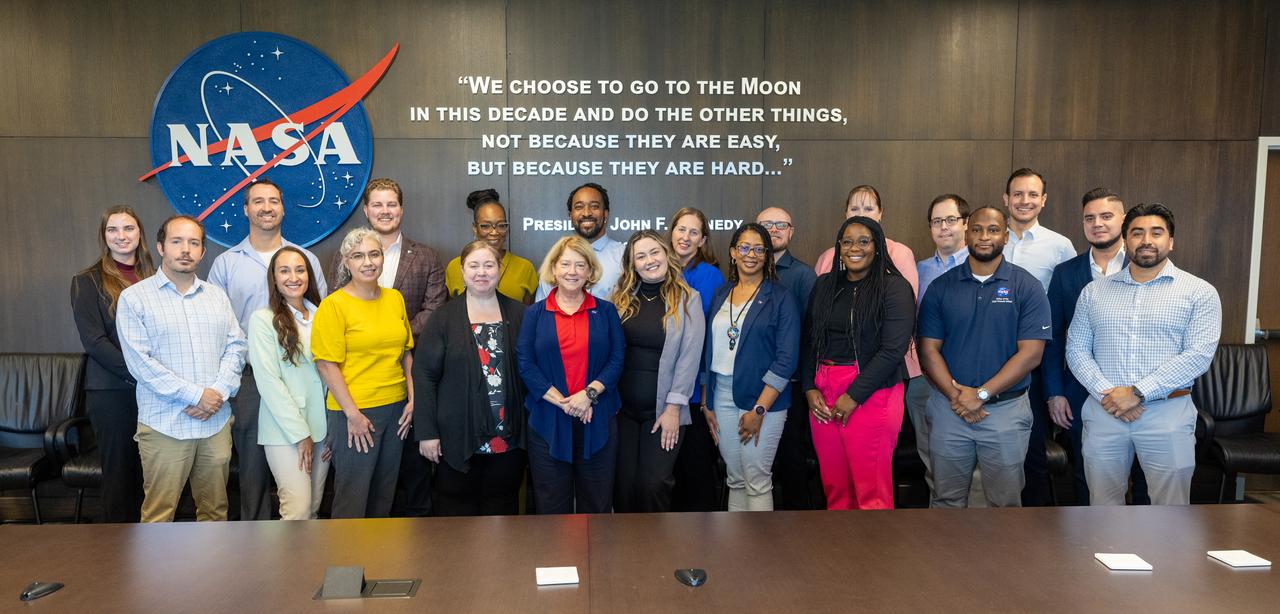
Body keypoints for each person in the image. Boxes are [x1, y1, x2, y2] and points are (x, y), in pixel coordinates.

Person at [1066, 203, 1221, 506]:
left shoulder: (1199, 292)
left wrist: (1137, 392)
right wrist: (1109, 395)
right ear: (1125, 240)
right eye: (1137, 233)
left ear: (1171, 241)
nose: (1146, 240)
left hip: (1168, 413)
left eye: (1156, 232)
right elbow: (1076, 350)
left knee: (1171, 510)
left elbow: (1198, 355)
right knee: (1102, 507)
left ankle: (1168, 557)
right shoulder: (1094, 293)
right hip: (1105, 412)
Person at [209, 177, 327, 521]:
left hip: (304, 382)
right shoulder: (226, 262)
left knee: (304, 487)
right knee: (253, 473)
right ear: (246, 209)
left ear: (282, 208)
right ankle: (257, 552)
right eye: (258, 201)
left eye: (273, 201)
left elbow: (321, 314)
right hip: (249, 380)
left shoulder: (304, 258)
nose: (266, 207)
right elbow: (218, 328)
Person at [917, 206, 1051, 508]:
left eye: (992, 229)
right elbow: (928, 349)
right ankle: (946, 558)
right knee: (945, 500)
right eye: (976, 229)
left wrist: (981, 394)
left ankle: (1001, 558)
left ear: (1005, 235)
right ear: (967, 233)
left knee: (1004, 504)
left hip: (1004, 412)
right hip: (949, 410)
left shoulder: (1027, 286)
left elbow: (1031, 354)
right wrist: (958, 397)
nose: (984, 236)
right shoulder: (942, 287)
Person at [117, 215, 246, 522]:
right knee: (160, 515)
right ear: (161, 247)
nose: (185, 249)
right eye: (177, 241)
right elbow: (141, 364)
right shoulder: (135, 298)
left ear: (202, 251)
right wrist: (196, 396)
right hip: (165, 425)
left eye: (194, 243)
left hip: (214, 424)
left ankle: (212, 572)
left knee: (215, 512)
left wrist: (217, 393)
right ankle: (158, 573)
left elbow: (236, 346)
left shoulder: (216, 296)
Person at [328, 177, 445, 518]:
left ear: (402, 209)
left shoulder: (424, 257)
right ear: (365, 210)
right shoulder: (343, 273)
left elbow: (434, 310)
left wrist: (392, 328)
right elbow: (329, 353)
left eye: (391, 204)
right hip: (358, 398)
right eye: (377, 204)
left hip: (405, 387)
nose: (384, 210)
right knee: (356, 493)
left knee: (398, 482)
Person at [801, 217, 914, 510]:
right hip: (823, 391)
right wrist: (808, 386)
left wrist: (853, 396)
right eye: (847, 241)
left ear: (877, 247)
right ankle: (840, 554)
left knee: (871, 492)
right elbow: (809, 340)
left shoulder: (894, 288)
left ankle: (873, 556)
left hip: (871, 391)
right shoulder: (825, 285)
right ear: (839, 248)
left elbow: (893, 351)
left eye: (863, 241)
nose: (855, 248)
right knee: (835, 486)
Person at [1044, 188, 1148, 505]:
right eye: (1090, 218)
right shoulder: (1066, 273)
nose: (1097, 224)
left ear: (1124, 219)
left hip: (1141, 393)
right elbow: (1054, 336)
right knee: (1086, 474)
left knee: (1144, 477)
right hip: (1080, 392)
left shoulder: (1145, 265)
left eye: (1106, 216)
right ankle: (1089, 546)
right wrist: (1055, 392)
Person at [414, 241, 528, 516]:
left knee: (503, 509)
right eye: (473, 266)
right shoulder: (443, 318)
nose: (481, 272)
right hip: (457, 437)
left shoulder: (520, 314)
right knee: (457, 514)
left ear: (499, 270)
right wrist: (427, 433)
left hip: (508, 437)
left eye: (489, 265)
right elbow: (424, 375)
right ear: (462, 271)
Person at [312, 227, 415, 518]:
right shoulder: (334, 305)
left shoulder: (395, 298)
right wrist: (353, 415)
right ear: (346, 262)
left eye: (374, 254)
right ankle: (346, 562)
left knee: (384, 494)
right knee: (353, 499)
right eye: (358, 256)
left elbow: (406, 352)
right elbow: (326, 364)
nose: (367, 262)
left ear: (383, 258)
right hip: (355, 413)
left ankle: (377, 560)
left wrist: (412, 398)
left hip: (395, 410)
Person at [518, 236, 625, 514]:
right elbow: (526, 364)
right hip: (548, 420)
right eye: (565, 264)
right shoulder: (535, 314)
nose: (572, 271)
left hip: (598, 419)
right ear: (553, 269)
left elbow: (617, 359)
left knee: (597, 503)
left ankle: (600, 559)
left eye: (580, 265)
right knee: (552, 504)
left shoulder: (606, 311)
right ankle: (558, 558)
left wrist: (588, 396)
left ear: (590, 271)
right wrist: (567, 403)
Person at [704, 223, 800, 511]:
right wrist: (706, 402)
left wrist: (759, 410)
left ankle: (761, 554)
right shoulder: (722, 294)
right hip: (721, 395)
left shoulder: (781, 298)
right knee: (735, 479)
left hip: (762, 400)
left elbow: (786, 360)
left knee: (756, 479)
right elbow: (709, 350)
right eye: (744, 247)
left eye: (760, 249)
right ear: (733, 252)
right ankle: (736, 554)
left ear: (768, 256)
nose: (751, 255)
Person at [70, 205, 156, 522]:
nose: (121, 236)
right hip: (112, 392)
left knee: (152, 473)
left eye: (128, 228)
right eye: (113, 230)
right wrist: (142, 374)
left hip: (153, 391)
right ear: (104, 236)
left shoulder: (154, 278)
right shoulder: (87, 281)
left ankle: (153, 550)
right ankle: (120, 558)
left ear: (140, 234)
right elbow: (94, 342)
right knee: (121, 476)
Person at [610, 230, 705, 512]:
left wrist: (674, 408)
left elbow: (690, 358)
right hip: (621, 411)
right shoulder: (618, 298)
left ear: (666, 254)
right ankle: (625, 553)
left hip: (663, 411)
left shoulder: (689, 298)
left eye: (654, 252)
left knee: (653, 484)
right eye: (640, 256)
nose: (649, 260)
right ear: (632, 265)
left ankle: (655, 553)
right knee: (623, 485)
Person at [1000, 168, 1076, 507]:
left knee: (1033, 450)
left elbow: (1070, 310)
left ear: (1043, 200)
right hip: (991, 356)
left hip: (1036, 360)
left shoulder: (1059, 247)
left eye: (1033, 195)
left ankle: (1034, 531)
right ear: (1006, 199)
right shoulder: (989, 237)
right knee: (995, 451)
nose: (1025, 201)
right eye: (1018, 194)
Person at [246, 247, 329, 520]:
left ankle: (308, 564)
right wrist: (299, 433)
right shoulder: (263, 319)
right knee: (297, 510)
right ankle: (282, 565)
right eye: (284, 271)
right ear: (274, 278)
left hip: (324, 428)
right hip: (286, 431)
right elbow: (269, 382)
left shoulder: (324, 315)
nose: (293, 277)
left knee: (314, 507)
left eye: (299, 269)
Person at [756, 206, 820, 510]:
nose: (774, 229)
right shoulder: (746, 272)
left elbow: (811, 335)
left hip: (791, 385)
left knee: (792, 460)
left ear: (791, 231)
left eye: (781, 224)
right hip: (751, 384)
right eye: (767, 224)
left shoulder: (804, 275)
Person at [907, 194, 970, 502]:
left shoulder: (983, 266)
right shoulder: (917, 271)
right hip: (925, 381)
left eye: (950, 220)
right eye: (936, 221)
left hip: (973, 380)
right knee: (933, 461)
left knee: (978, 470)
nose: (943, 227)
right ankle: (941, 536)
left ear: (965, 224)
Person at [666, 207, 726, 512]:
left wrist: (704, 391)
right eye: (681, 229)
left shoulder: (710, 276)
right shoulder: (656, 268)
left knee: (694, 469)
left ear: (702, 240)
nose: (685, 237)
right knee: (665, 473)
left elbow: (712, 337)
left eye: (693, 232)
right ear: (671, 232)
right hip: (662, 387)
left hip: (694, 390)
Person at [444, 188, 539, 303]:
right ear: (475, 228)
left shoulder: (524, 268)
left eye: (501, 225)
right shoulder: (455, 266)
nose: (494, 232)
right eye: (485, 226)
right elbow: (451, 310)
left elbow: (529, 314)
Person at [536, 183, 627, 300]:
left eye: (594, 206)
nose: (586, 213)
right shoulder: (556, 258)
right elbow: (542, 310)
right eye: (579, 207)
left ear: (605, 214)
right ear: (570, 215)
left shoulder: (624, 257)